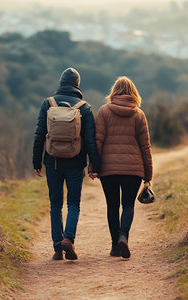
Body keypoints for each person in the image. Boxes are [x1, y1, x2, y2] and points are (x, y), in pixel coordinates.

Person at [33, 67, 101, 261]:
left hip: (52, 161)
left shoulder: (48, 104)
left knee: (55, 204)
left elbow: (39, 135)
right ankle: (68, 240)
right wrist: (95, 165)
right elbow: (90, 141)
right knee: (73, 203)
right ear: (77, 85)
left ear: (61, 82)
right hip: (75, 162)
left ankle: (57, 248)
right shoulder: (84, 107)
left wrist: (36, 161)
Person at [92, 76, 153, 259]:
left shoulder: (103, 111)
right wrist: (148, 174)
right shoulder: (139, 114)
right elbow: (145, 147)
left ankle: (114, 247)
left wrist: (93, 166)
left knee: (112, 206)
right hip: (133, 170)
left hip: (108, 170)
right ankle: (123, 237)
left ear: (114, 91)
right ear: (133, 92)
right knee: (128, 205)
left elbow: (97, 142)